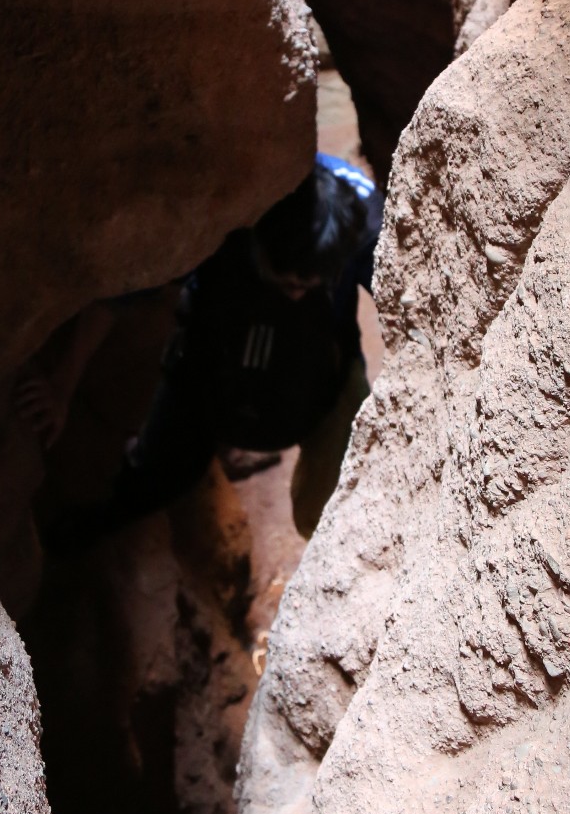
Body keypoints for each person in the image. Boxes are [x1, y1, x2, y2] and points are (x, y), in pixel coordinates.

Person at [39, 153, 381, 551]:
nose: (296, 293)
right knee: (157, 477)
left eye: (309, 285)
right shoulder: (225, 210)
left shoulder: (363, 223)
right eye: (285, 282)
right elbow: (121, 294)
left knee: (342, 497)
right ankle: (78, 539)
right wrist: (61, 385)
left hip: (326, 373)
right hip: (209, 364)